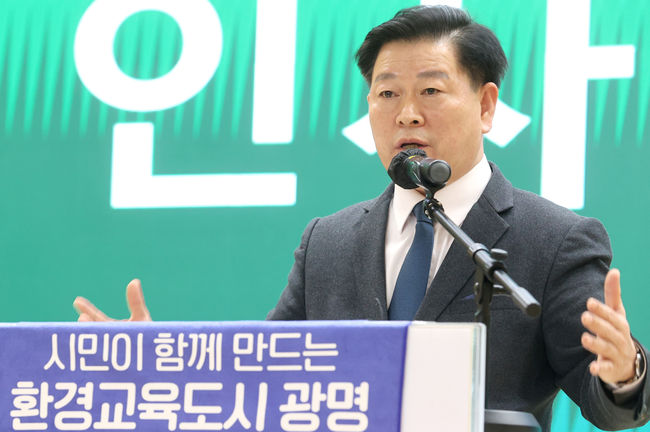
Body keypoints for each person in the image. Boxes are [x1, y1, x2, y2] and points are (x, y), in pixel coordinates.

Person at [74, 5, 649, 431]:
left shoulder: (553, 238)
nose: (407, 114)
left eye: (430, 90)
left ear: (485, 105)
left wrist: (624, 373)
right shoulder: (328, 241)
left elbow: (610, 404)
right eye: (386, 94)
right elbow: (264, 379)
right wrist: (156, 368)